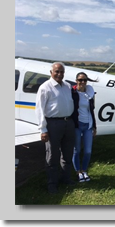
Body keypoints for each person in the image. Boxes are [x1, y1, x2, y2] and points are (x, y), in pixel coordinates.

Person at [35, 62, 76, 194]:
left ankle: (66, 178)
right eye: (57, 71)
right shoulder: (45, 87)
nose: (59, 74)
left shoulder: (67, 86)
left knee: (68, 153)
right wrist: (43, 129)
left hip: (68, 123)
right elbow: (39, 110)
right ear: (51, 72)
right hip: (53, 124)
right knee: (52, 155)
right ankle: (52, 184)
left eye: (62, 72)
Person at [71, 72, 97, 183]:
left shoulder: (89, 94)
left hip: (88, 125)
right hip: (77, 125)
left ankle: (84, 170)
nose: (82, 82)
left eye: (85, 80)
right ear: (76, 81)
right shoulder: (72, 93)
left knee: (88, 151)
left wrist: (94, 126)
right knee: (76, 150)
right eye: (80, 80)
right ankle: (78, 172)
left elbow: (91, 110)